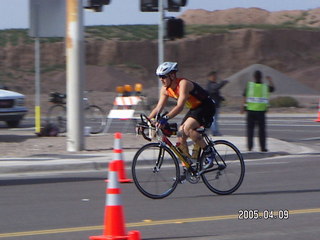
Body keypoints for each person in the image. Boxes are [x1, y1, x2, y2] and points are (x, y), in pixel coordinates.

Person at [148, 62, 216, 170]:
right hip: (194, 109)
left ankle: (209, 154)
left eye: (163, 77)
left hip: (206, 106)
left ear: (172, 75)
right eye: (160, 77)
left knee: (187, 128)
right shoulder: (165, 89)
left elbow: (180, 107)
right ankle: (187, 166)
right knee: (180, 135)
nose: (161, 79)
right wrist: (147, 121)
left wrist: (165, 118)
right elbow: (158, 107)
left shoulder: (183, 84)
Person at [241, 70, 275, 152]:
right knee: (262, 131)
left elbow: (244, 96)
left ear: (254, 77)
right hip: (261, 111)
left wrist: (242, 107)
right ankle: (263, 148)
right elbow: (273, 88)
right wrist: (270, 80)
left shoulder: (250, 86)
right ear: (261, 77)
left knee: (250, 130)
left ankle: (250, 147)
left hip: (250, 111)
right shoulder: (265, 87)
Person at [206, 71, 229, 136]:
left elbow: (215, 93)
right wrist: (223, 83)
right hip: (212, 105)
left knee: (214, 119)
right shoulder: (210, 85)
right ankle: (214, 131)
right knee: (213, 119)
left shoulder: (213, 84)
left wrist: (221, 98)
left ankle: (212, 131)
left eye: (215, 76)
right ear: (210, 77)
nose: (215, 77)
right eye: (214, 76)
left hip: (215, 105)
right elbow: (215, 88)